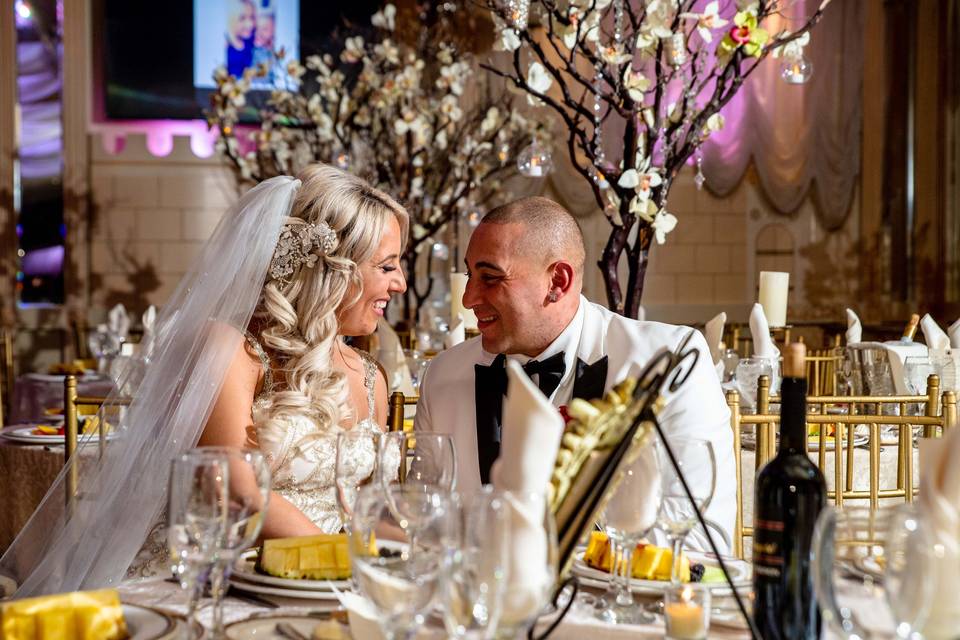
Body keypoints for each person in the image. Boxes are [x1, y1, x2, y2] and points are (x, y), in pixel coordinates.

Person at [1, 164, 408, 595]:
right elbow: (233, 489)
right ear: (331, 271)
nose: (400, 283)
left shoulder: (370, 377)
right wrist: (344, 564)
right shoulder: (231, 348)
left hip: (332, 585)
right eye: (386, 266)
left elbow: (371, 508)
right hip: (219, 579)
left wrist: (434, 544)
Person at [414, 196, 736, 552]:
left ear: (558, 281)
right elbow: (421, 521)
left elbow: (701, 539)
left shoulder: (666, 362)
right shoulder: (442, 377)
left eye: (490, 278)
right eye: (470, 276)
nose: (469, 298)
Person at [226, 0, 256, 78]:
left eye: (252, 17)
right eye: (242, 18)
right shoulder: (225, 47)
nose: (250, 24)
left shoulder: (251, 44)